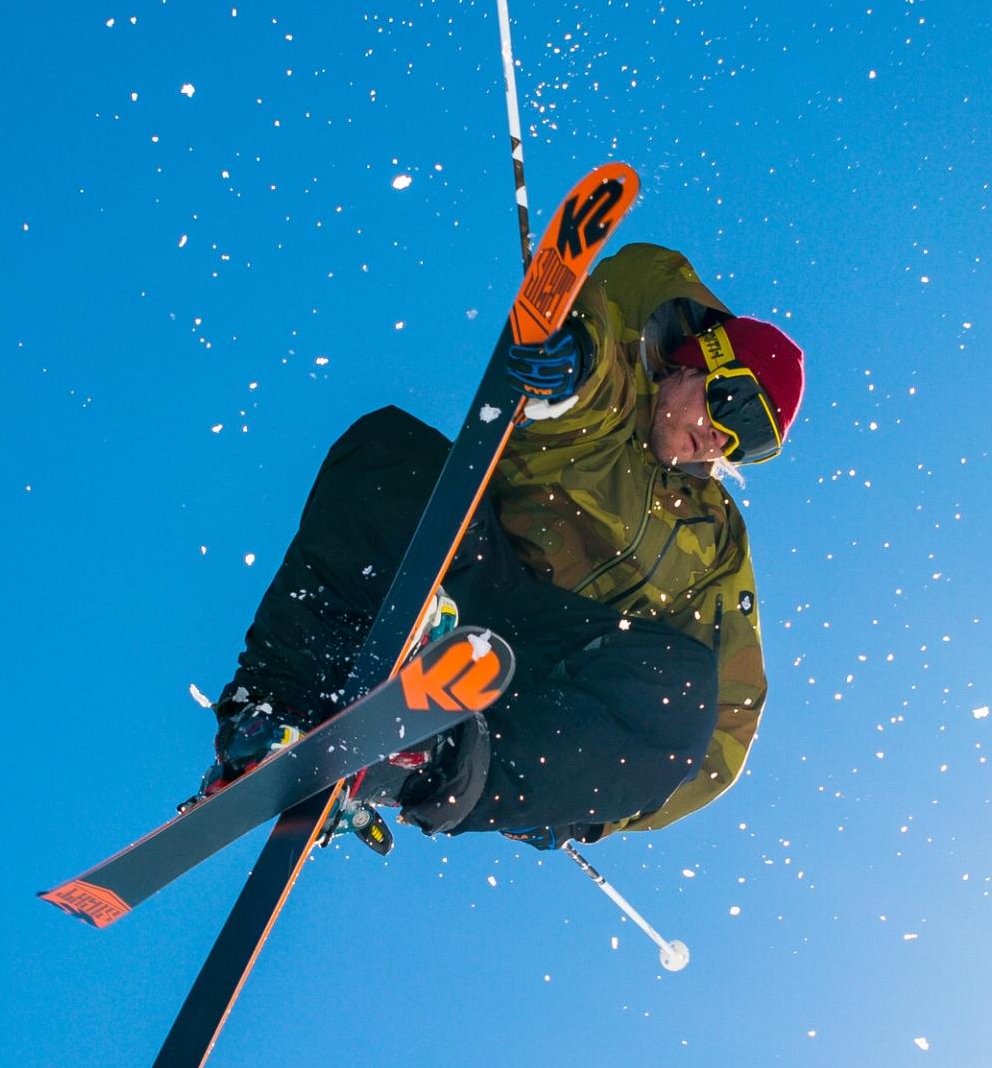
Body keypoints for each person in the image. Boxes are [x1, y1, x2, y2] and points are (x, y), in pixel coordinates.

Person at [210, 242, 804, 844]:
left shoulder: (715, 533)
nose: (721, 442)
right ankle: (274, 713)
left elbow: (731, 709)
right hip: (463, 571)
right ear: (696, 360)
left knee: (681, 684)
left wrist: (581, 804)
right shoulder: (618, 399)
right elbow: (598, 359)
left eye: (750, 445)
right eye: (735, 410)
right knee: (389, 454)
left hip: (541, 677)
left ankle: (442, 759)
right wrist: (572, 363)